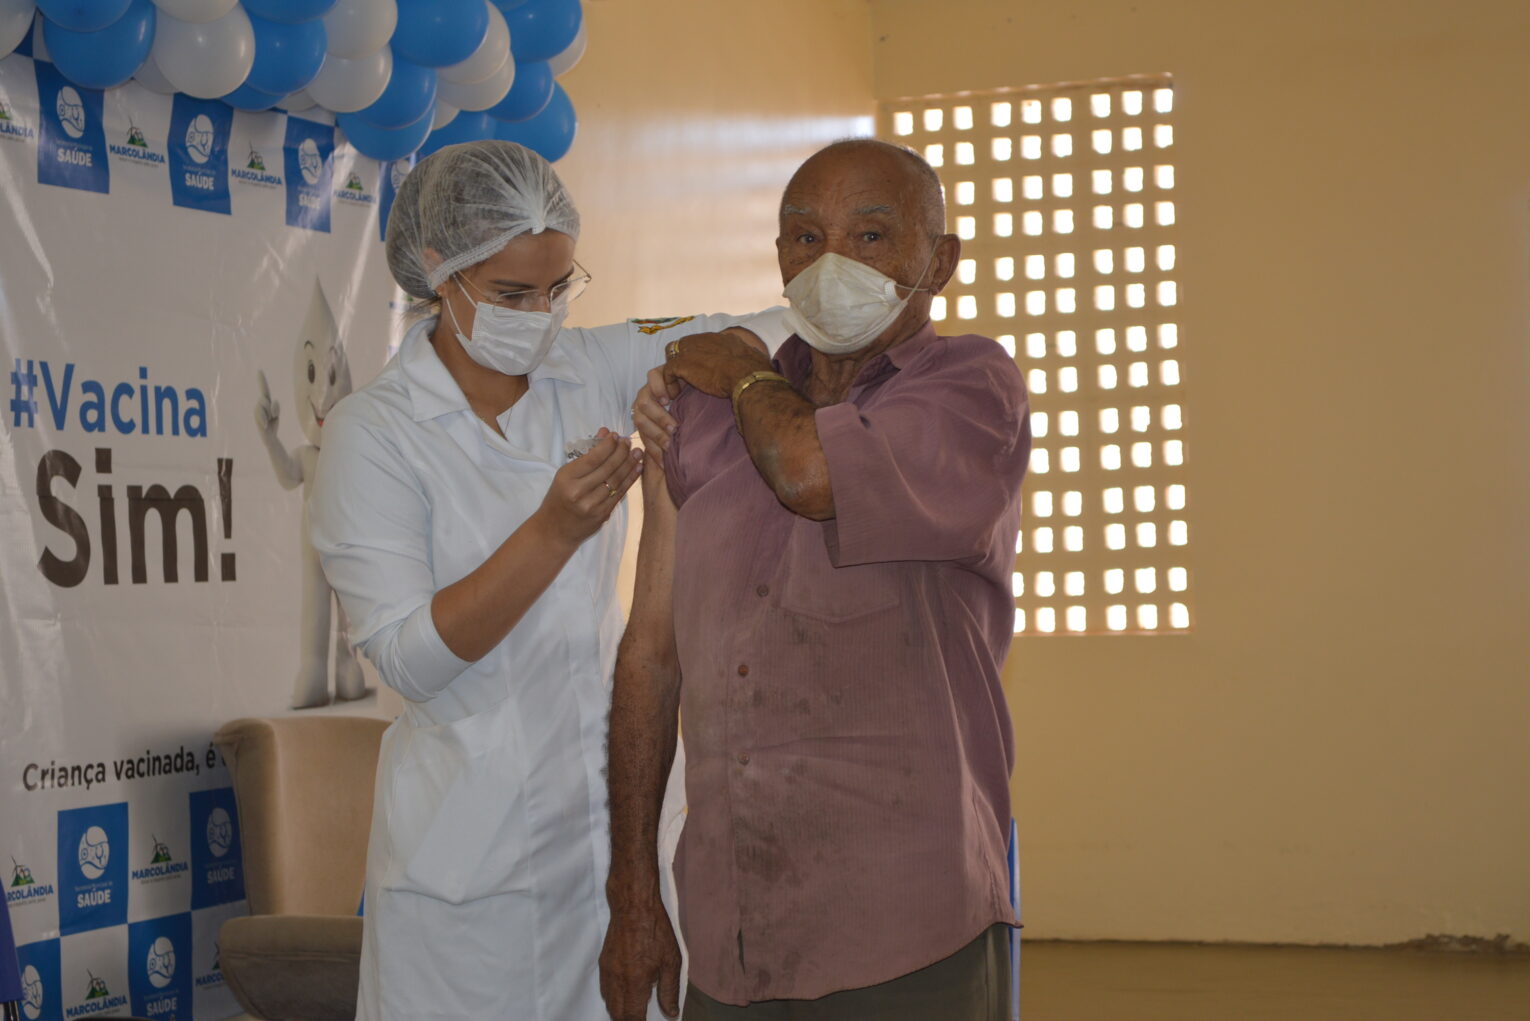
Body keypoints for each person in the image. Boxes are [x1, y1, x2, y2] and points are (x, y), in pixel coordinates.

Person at [309, 140, 783, 1020]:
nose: (541, 317)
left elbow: (763, 333)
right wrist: (553, 531)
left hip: (616, 840)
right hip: (471, 868)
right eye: (512, 295)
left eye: (559, 288)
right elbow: (410, 659)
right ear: (437, 271)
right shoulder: (372, 434)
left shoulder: (585, 368)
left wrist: (715, 372)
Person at [601, 138, 1031, 1020]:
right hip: (733, 926)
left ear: (939, 262)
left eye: (870, 236)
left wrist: (746, 370)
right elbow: (650, 655)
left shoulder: (969, 388)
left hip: (904, 926)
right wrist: (634, 888)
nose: (832, 262)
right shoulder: (703, 414)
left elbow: (806, 473)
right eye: (805, 237)